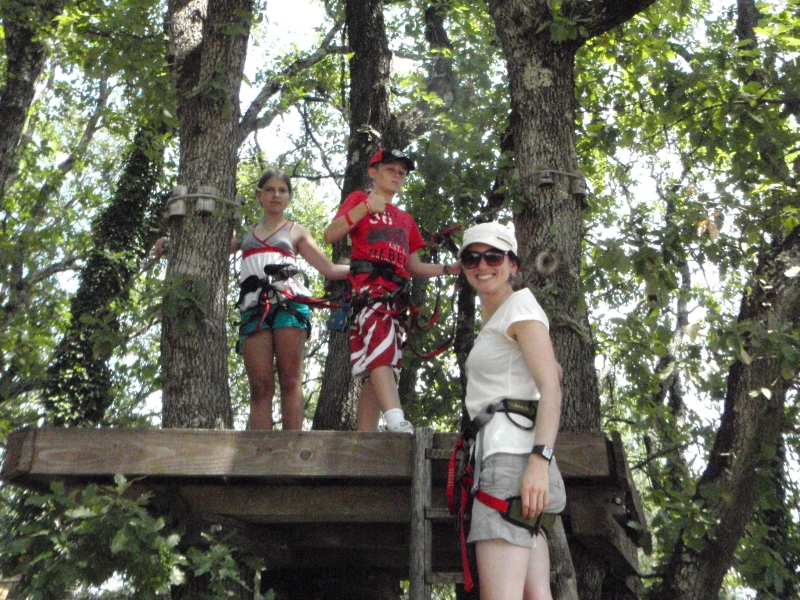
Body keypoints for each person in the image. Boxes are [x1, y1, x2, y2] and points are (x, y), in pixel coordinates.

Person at [459, 221, 566, 600]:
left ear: (513, 264)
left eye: (493, 255)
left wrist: (539, 461)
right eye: (472, 256)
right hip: (507, 457)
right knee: (535, 595)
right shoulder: (500, 317)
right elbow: (545, 374)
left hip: (513, 460)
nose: (482, 264)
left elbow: (551, 391)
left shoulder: (520, 307)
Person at [323, 149, 460, 433]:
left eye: (402, 172)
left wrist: (449, 268)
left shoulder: (405, 220)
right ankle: (397, 421)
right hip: (369, 294)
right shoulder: (358, 199)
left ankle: (365, 438)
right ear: (373, 172)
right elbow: (330, 234)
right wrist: (364, 209)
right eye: (390, 169)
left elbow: (414, 266)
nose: (397, 175)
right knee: (382, 356)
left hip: (394, 299)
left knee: (379, 365)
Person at [234, 168, 349, 430]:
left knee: (290, 379)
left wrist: (368, 270)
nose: (276, 195)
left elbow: (328, 269)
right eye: (270, 190)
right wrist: (170, 244)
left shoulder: (296, 231)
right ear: (259, 195)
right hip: (253, 307)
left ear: (289, 197)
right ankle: (261, 453)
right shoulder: (245, 235)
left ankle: (292, 452)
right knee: (260, 385)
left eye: (282, 190)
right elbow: (213, 247)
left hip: (289, 304)